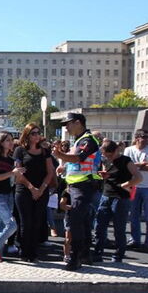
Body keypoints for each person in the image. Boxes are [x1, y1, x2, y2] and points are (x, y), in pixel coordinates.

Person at [52, 112, 102, 271]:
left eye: (69, 123)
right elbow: (75, 163)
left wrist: (60, 155)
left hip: (84, 186)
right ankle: (85, 255)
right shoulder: (78, 140)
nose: (66, 126)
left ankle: (75, 258)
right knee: (83, 222)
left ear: (79, 122)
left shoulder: (88, 140)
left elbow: (79, 158)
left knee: (75, 222)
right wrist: (64, 166)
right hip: (75, 186)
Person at [93, 140, 142, 262]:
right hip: (106, 195)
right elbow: (107, 173)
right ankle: (98, 253)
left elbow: (139, 177)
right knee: (99, 226)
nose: (107, 157)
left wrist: (127, 184)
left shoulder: (126, 161)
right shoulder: (105, 160)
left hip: (120, 197)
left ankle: (118, 254)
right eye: (105, 155)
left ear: (115, 151)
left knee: (119, 228)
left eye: (109, 155)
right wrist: (103, 176)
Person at [12, 124, 55, 262]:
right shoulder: (19, 150)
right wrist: (32, 188)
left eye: (38, 133)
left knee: (37, 222)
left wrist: (41, 189)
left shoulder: (44, 151)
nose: (36, 136)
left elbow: (50, 172)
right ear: (27, 135)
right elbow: (19, 173)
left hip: (42, 190)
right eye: (33, 133)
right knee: (26, 222)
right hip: (24, 190)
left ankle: (34, 252)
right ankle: (25, 252)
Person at [0, 132, 23, 262]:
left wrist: (18, 173)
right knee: (12, 225)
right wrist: (11, 173)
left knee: (2, 226)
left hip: (9, 194)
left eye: (11, 140)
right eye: (7, 140)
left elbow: (13, 178)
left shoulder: (11, 158)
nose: (11, 142)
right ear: (0, 142)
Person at [124, 129, 148, 251]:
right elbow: (126, 167)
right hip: (134, 186)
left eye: (147, 137)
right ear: (137, 138)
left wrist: (135, 166)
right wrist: (142, 165)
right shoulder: (128, 150)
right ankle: (135, 239)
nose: (146, 139)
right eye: (143, 137)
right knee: (134, 215)